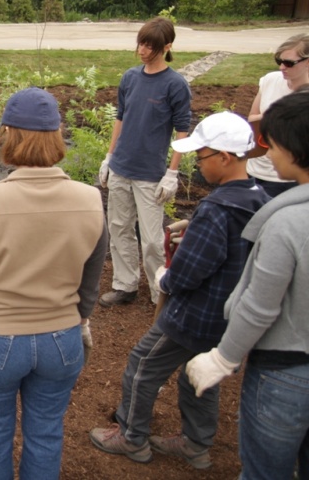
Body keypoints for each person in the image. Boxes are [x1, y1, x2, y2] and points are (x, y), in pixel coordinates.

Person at [0, 87, 107, 480]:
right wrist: (80, 321)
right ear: (57, 135)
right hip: (60, 341)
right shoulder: (91, 200)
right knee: (47, 433)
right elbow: (90, 285)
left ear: (9, 135)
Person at [89, 112, 269, 468]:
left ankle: (131, 436)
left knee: (143, 363)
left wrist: (165, 280)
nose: (196, 165)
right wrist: (196, 226)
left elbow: (191, 271)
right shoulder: (257, 198)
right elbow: (233, 249)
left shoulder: (218, 208)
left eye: (200, 157)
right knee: (197, 373)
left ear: (224, 157)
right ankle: (195, 445)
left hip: (193, 314)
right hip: (225, 314)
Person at [186, 91, 309, 480]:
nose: (268, 154)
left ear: (294, 146)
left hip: (285, 370)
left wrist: (223, 357)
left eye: (271, 145)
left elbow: (261, 303)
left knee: (263, 472)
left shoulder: (288, 222)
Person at [98, 16, 192, 307]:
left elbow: (183, 129)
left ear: (166, 47)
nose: (142, 50)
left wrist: (172, 173)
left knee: (152, 240)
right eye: (140, 43)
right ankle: (125, 285)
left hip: (150, 174)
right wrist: (109, 156)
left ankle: (157, 291)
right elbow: (121, 117)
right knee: (119, 228)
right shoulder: (130, 77)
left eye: (149, 46)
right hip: (121, 168)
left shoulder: (175, 85)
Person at [246, 33, 309, 197]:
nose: (282, 67)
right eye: (279, 61)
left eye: (289, 63)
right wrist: (271, 116)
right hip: (254, 168)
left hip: (286, 178)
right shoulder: (270, 80)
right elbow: (252, 118)